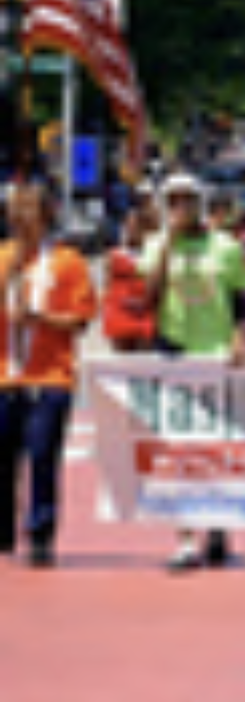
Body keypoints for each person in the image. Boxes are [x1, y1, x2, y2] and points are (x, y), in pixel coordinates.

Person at [143, 172, 245, 572]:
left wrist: (241, 337)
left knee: (218, 447)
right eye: (173, 201)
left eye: (188, 200)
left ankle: (219, 528)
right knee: (179, 449)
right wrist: (169, 243)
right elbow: (149, 294)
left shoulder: (225, 247)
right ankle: (186, 538)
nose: (181, 208)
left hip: (217, 353)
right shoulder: (156, 245)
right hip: (175, 352)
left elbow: (242, 299)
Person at [0, 181, 98, 567]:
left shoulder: (67, 261)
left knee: (42, 455)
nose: (21, 217)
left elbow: (81, 319)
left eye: (29, 209)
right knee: (3, 457)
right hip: (6, 376)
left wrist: (41, 319)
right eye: (15, 209)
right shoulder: (4, 257)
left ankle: (41, 532)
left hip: (50, 376)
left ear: (45, 215)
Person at [102, 189, 158, 352]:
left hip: (144, 312)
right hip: (120, 312)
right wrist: (108, 311)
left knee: (144, 362)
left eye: (136, 226)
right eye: (128, 225)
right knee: (121, 361)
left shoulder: (153, 253)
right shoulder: (114, 254)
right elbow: (107, 286)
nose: (131, 229)